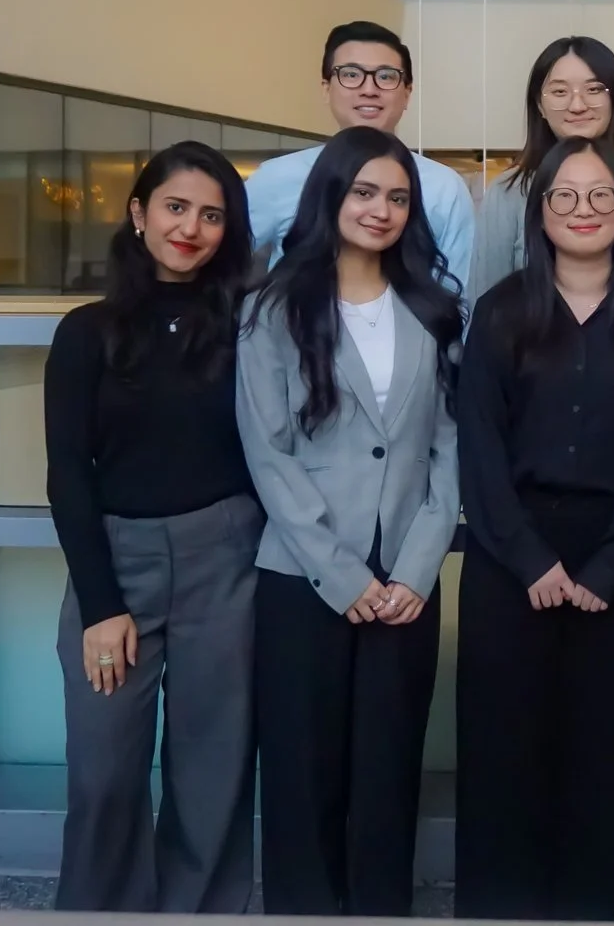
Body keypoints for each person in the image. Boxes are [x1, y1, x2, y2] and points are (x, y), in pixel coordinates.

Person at [457, 136, 614, 921]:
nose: (583, 209)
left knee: (603, 754)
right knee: (502, 752)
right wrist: (530, 558)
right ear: (540, 210)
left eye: (601, 195)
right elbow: (479, 447)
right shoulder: (500, 311)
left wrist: (610, 563)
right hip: (509, 556)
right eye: (565, 195)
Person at [237, 126, 466, 917]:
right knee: (303, 775)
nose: (381, 209)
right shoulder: (272, 309)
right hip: (304, 575)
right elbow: (268, 451)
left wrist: (418, 567)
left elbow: (450, 447)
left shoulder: (435, 307)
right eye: (365, 191)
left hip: (405, 579)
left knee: (388, 772)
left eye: (398, 197)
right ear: (330, 194)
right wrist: (342, 573)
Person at [45, 142, 262, 914]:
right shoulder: (87, 331)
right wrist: (101, 605)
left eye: (211, 215)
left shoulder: (250, 325)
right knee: (103, 770)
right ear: (138, 213)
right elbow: (67, 472)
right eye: (175, 207)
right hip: (118, 563)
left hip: (226, 559)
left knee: (213, 773)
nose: (190, 228)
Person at [247, 20, 475, 291]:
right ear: (326, 88)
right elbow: (222, 259)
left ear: (407, 93)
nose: (369, 90)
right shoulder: (277, 176)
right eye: (351, 74)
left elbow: (458, 295)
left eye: (386, 76)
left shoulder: (444, 187)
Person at [471, 36, 614, 301]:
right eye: (560, 92)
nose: (577, 106)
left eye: (594, 89)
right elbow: (484, 302)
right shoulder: (508, 192)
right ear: (539, 105)